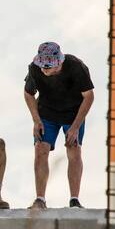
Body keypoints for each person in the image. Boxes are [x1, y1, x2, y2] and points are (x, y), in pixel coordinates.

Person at [24, 41, 95, 209]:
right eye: (42, 66)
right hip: (47, 114)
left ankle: (74, 200)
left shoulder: (76, 67)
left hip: (73, 115)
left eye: (47, 67)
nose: (44, 69)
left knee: (73, 150)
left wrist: (75, 127)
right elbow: (28, 94)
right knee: (40, 149)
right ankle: (40, 199)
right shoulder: (34, 69)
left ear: (58, 63)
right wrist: (36, 120)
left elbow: (89, 96)